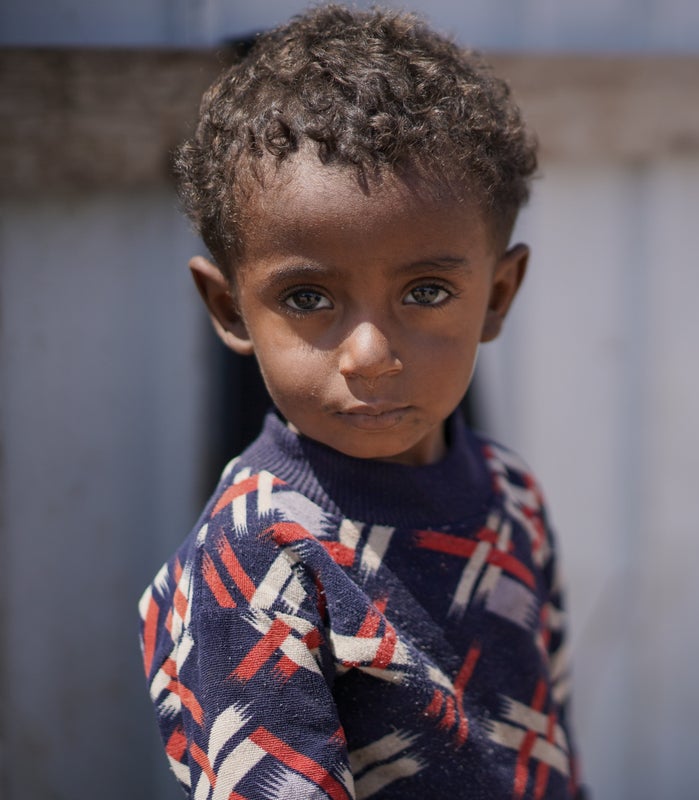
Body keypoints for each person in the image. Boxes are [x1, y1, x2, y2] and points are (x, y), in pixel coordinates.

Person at [137, 6, 583, 798]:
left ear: (497, 294)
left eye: (427, 291)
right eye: (307, 298)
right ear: (231, 309)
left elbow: (550, 751)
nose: (370, 356)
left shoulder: (511, 499)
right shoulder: (257, 557)